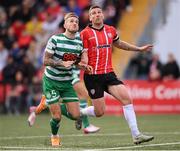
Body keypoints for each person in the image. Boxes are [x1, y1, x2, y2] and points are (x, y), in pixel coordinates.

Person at [80, 5, 154, 145]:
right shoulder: (85, 33)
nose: (97, 14)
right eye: (93, 13)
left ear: (103, 15)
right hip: (93, 76)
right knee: (100, 112)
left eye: (99, 12)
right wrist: (83, 63)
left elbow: (119, 43)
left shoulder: (111, 30)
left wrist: (138, 49)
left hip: (109, 74)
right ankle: (81, 112)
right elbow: (82, 54)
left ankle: (136, 135)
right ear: (90, 17)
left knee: (127, 98)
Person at [39, 12, 92, 147]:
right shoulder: (55, 39)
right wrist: (61, 63)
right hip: (51, 81)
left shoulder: (79, 43)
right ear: (65, 25)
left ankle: (50, 103)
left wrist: (84, 67)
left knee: (75, 115)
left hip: (67, 83)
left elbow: (75, 62)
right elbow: (45, 60)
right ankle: (55, 136)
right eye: (71, 21)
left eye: (76, 22)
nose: (74, 23)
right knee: (56, 117)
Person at [27, 66, 100, 134]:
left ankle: (40, 107)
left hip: (68, 78)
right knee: (83, 94)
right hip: (61, 80)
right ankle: (86, 125)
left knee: (72, 110)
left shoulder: (79, 53)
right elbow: (49, 60)